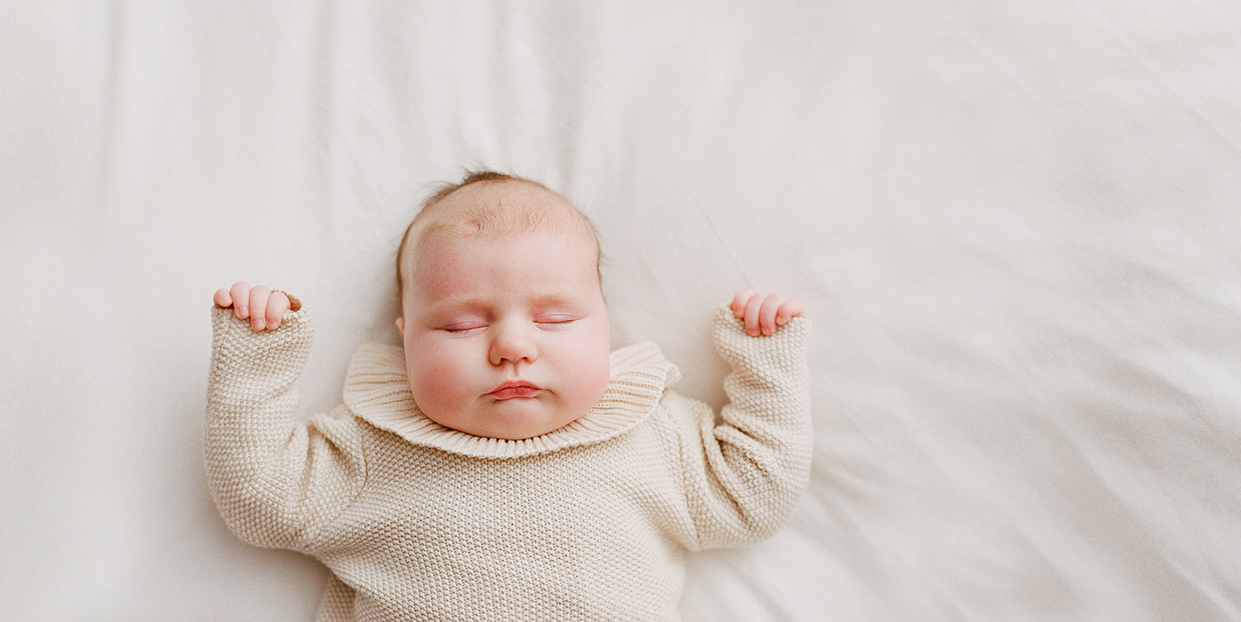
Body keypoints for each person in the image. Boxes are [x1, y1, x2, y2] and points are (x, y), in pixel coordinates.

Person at [206, 170, 811, 622]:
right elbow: (260, 502)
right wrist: (258, 361)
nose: (512, 347)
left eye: (554, 317)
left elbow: (752, 499)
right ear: (407, 340)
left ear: (605, 325)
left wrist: (766, 365)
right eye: (462, 326)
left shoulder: (654, 435)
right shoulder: (369, 447)